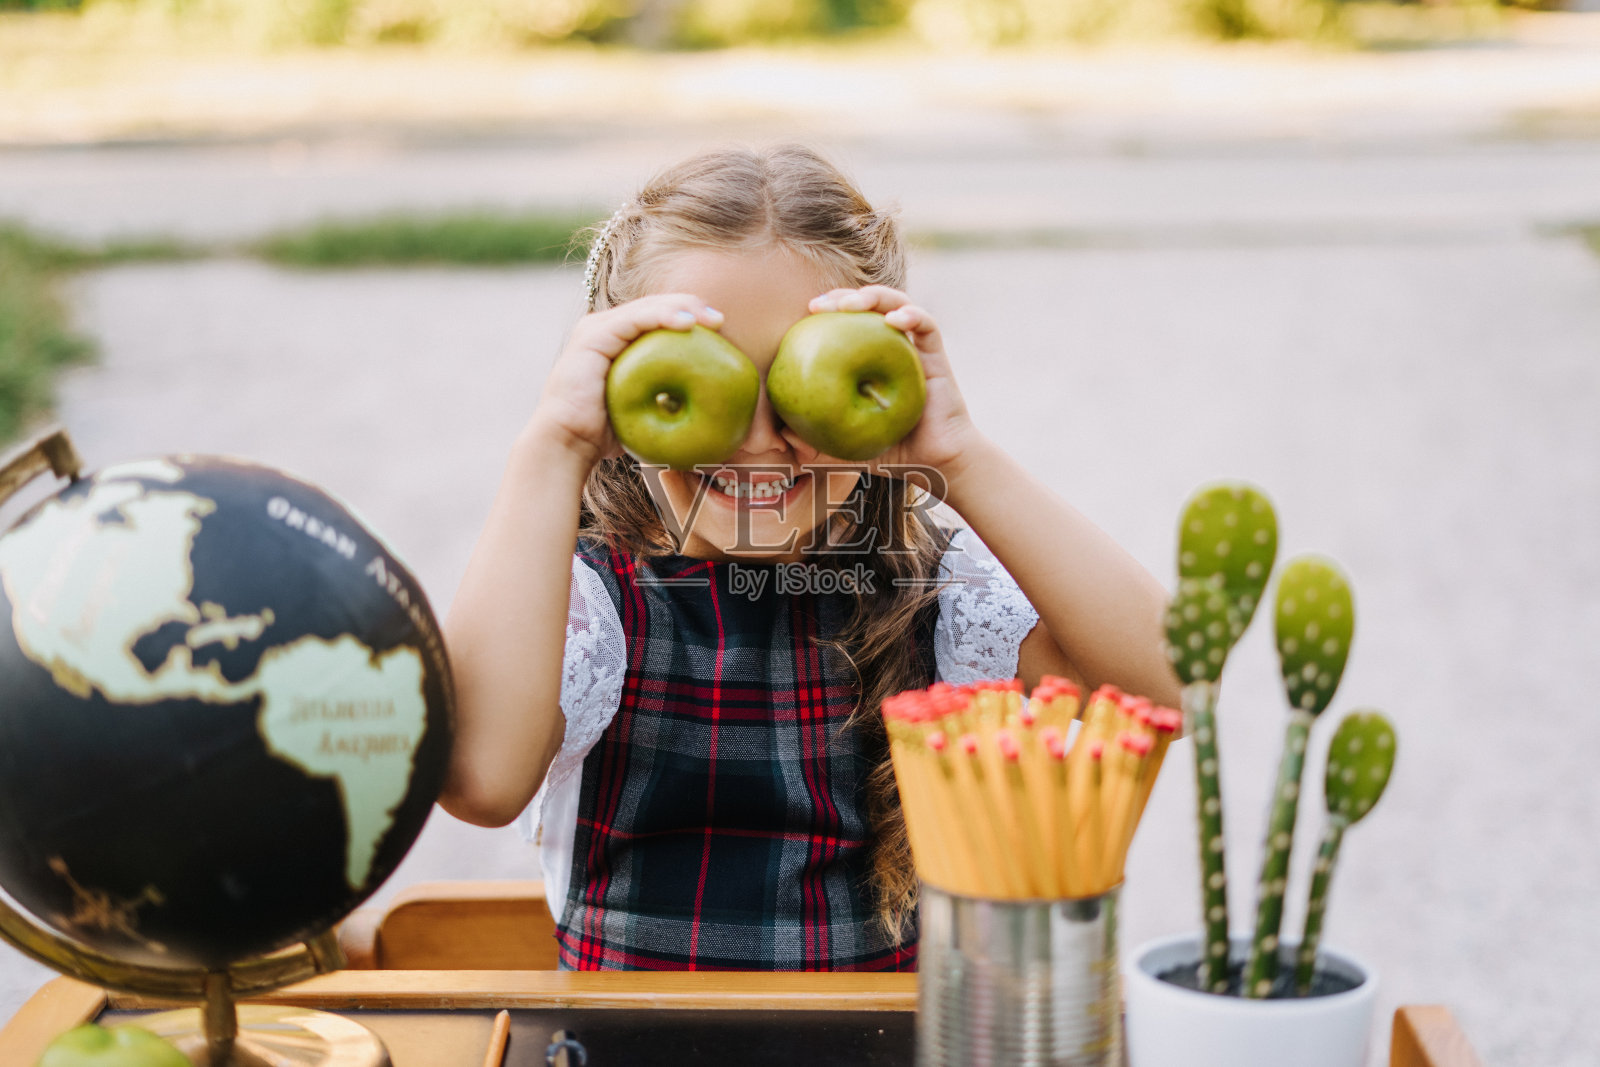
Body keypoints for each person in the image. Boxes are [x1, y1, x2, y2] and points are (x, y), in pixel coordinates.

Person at [439, 143, 1180, 972]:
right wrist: (553, 446)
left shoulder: (931, 591)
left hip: (876, 1036)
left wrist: (961, 456)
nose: (759, 440)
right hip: (628, 1033)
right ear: (618, 387)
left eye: (794, 384)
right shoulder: (585, 599)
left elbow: (1177, 684)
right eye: (711, 382)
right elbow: (480, 781)